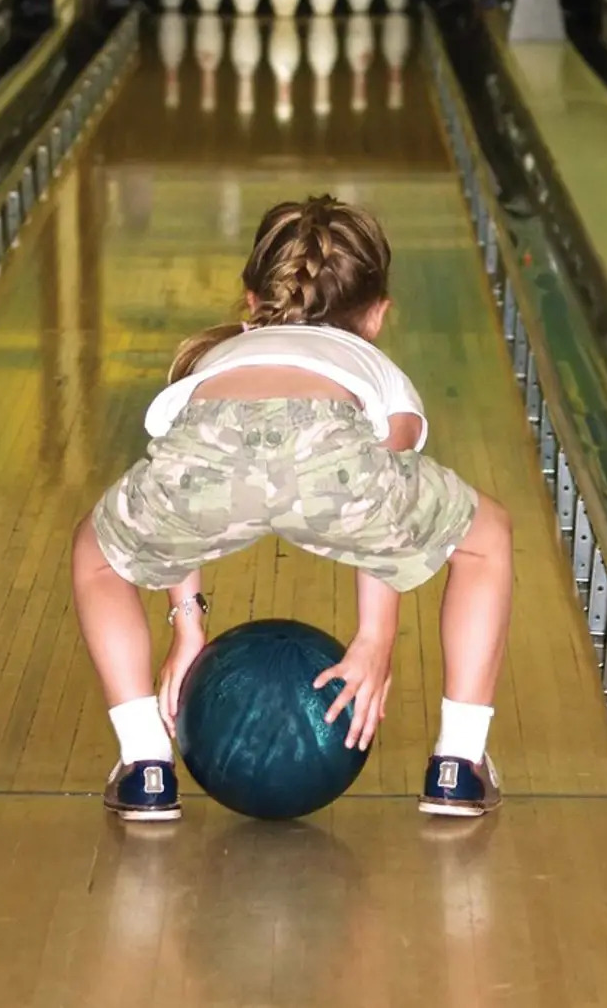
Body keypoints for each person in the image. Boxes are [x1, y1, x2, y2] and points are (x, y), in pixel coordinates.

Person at [71, 195, 513, 822]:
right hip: (329, 451)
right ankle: (459, 766)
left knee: (97, 559)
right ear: (378, 315)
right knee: (487, 538)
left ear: (251, 303)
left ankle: (145, 764)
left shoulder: (209, 362)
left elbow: (177, 491)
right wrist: (374, 636)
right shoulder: (374, 367)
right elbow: (382, 505)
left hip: (203, 454)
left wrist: (187, 623)